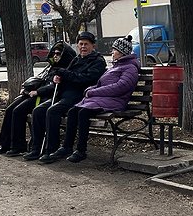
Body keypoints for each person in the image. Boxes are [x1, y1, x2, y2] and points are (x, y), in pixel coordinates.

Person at [41, 35, 140, 163]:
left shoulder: (129, 68)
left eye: (114, 50)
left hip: (115, 100)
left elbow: (120, 87)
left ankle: (81, 150)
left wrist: (93, 91)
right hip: (104, 98)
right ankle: (67, 147)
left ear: (121, 53)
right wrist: (92, 89)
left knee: (83, 112)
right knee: (73, 111)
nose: (112, 52)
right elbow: (102, 83)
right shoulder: (117, 66)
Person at [22, 31, 107, 161]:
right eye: (81, 44)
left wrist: (64, 74)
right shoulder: (77, 59)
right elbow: (66, 74)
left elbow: (86, 79)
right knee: (38, 111)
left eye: (86, 44)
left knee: (53, 111)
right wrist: (59, 78)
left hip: (79, 95)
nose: (83, 47)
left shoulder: (98, 61)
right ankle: (36, 148)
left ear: (93, 46)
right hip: (63, 93)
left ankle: (51, 150)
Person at [0, 41, 76, 156]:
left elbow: (54, 87)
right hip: (35, 93)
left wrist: (37, 91)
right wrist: (27, 89)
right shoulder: (50, 67)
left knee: (18, 111)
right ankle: (5, 144)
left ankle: (18, 146)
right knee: (10, 109)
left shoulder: (66, 68)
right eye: (54, 53)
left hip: (44, 97)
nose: (55, 56)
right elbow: (41, 79)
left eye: (59, 54)